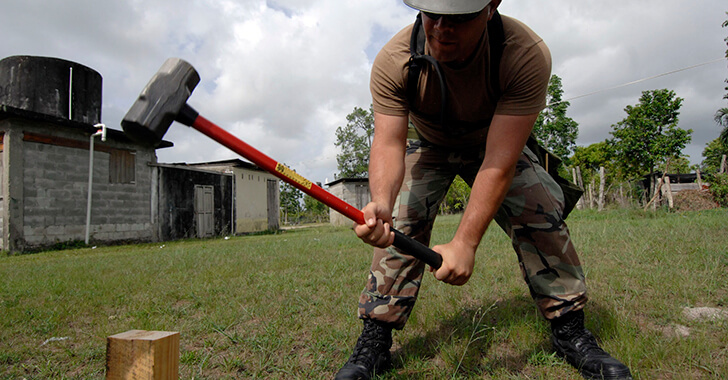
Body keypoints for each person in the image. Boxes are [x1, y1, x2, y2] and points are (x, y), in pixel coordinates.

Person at [334, 1, 633, 379]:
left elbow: (500, 161)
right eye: (432, 14)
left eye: (458, 17)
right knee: (402, 221)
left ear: (491, 6)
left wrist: (465, 242)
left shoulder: (523, 54)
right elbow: (389, 143)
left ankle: (570, 330)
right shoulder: (395, 60)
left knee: (540, 211)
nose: (442, 27)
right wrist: (381, 202)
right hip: (429, 144)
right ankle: (375, 342)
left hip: (490, 145)